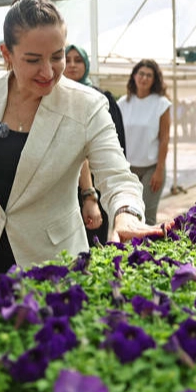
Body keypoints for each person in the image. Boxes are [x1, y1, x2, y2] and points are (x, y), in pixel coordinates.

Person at [0, 0, 165, 291]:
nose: (48, 72)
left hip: (51, 259)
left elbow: (118, 175)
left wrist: (126, 214)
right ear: (7, 54)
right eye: (33, 60)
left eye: (57, 56)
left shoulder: (86, 106)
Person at [64, 44, 127, 247]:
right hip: (64, 186)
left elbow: (115, 146)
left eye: (78, 60)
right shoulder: (54, 99)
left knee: (94, 242)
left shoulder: (101, 99)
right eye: (68, 59)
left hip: (96, 184)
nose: (72, 65)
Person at [117, 60, 171, 225]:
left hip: (151, 168)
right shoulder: (122, 103)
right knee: (128, 215)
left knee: (147, 217)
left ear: (154, 80)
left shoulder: (161, 104)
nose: (144, 78)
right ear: (134, 76)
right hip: (128, 169)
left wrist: (159, 170)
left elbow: (164, 138)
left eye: (149, 75)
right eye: (141, 74)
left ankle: (147, 251)